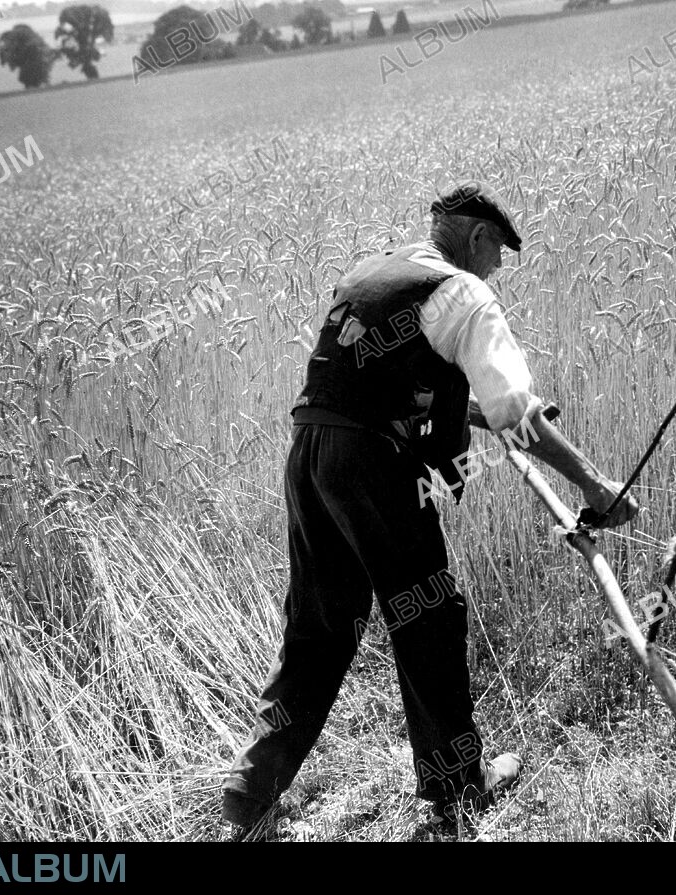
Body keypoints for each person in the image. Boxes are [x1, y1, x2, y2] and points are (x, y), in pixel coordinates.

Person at [221, 181, 639, 834]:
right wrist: (594, 485)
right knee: (429, 613)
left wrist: (468, 414)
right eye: (499, 249)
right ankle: (458, 790)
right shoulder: (465, 292)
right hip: (369, 468)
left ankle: (250, 793)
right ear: (477, 237)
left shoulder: (372, 273)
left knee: (318, 630)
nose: (499, 266)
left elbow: (377, 388)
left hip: (310, 456)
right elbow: (515, 411)